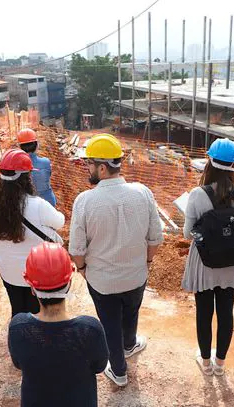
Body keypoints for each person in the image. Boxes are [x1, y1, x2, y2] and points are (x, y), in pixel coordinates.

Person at [69, 134, 164, 387]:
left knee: (109, 323)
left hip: (102, 281)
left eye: (89, 164)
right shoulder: (143, 192)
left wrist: (83, 269)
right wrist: (147, 263)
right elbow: (155, 238)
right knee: (131, 312)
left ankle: (119, 371)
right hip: (136, 275)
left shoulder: (85, 201)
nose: (87, 168)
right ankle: (129, 345)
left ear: (102, 167)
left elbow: (76, 248)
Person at [181, 138, 234, 376]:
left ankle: (205, 363)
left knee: (204, 313)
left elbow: (187, 233)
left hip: (205, 262)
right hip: (232, 264)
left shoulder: (197, 194)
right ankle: (220, 364)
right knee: (226, 313)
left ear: (209, 162)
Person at [8, 242, 109, 406]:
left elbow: (18, 364)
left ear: (32, 288)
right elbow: (100, 366)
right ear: (69, 283)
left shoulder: (18, 327)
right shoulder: (89, 329)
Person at [0, 149, 65, 316]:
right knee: (36, 313)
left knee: (18, 310)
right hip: (34, 274)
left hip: (7, 271)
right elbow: (60, 222)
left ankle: (18, 332)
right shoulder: (37, 205)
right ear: (27, 177)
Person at [17, 128, 57, 207]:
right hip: (48, 203)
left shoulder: (16, 166)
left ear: (19, 147)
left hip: (27, 205)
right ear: (37, 145)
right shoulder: (46, 162)